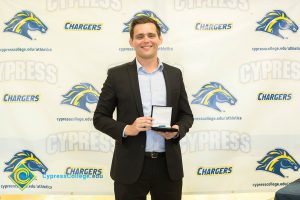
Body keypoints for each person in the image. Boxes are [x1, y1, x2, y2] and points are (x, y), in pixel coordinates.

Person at [93, 16, 193, 200]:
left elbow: (187, 116)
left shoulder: (174, 74)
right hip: (129, 167)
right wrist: (127, 129)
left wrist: (178, 130)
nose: (146, 40)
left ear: (160, 39)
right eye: (139, 36)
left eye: (151, 35)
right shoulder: (116, 75)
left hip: (168, 168)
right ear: (131, 42)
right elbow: (99, 118)